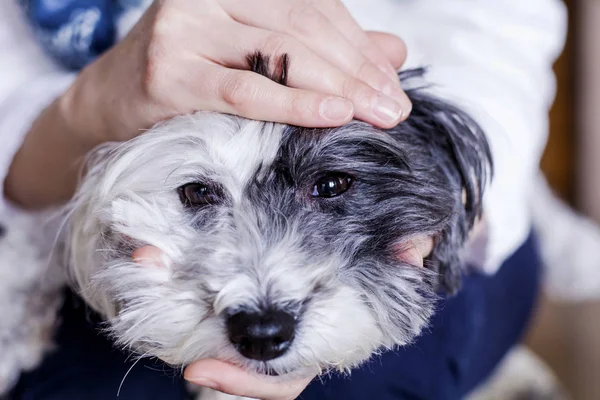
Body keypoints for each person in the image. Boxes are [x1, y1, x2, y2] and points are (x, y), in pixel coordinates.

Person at [0, 0, 567, 399]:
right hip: (43, 177)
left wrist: (450, 196)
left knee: (368, 382)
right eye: (200, 195)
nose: (265, 322)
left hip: (446, 142)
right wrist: (80, 111)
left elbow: (498, 23)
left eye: (327, 189)